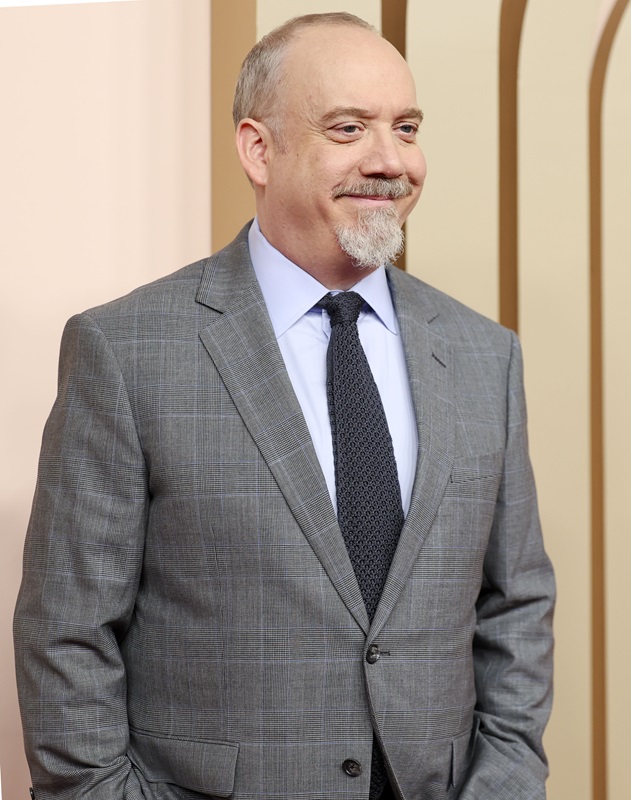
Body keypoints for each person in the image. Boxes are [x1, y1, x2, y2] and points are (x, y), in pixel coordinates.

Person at [13, 12, 554, 800]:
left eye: (406, 128)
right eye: (349, 128)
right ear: (257, 149)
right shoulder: (126, 352)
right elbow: (65, 637)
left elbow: (516, 607)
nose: (391, 161)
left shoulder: (484, 355)